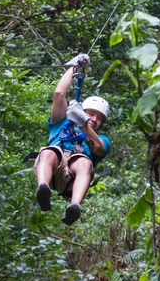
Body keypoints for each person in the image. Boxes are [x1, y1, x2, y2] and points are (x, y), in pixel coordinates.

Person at [34, 54, 110, 225]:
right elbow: (59, 93)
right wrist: (73, 67)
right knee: (49, 152)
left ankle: (74, 205)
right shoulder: (61, 122)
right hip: (51, 168)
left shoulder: (102, 139)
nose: (94, 119)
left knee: (84, 162)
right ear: (83, 110)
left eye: (99, 118)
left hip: (71, 178)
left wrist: (83, 123)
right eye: (90, 113)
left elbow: (97, 147)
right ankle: (43, 189)